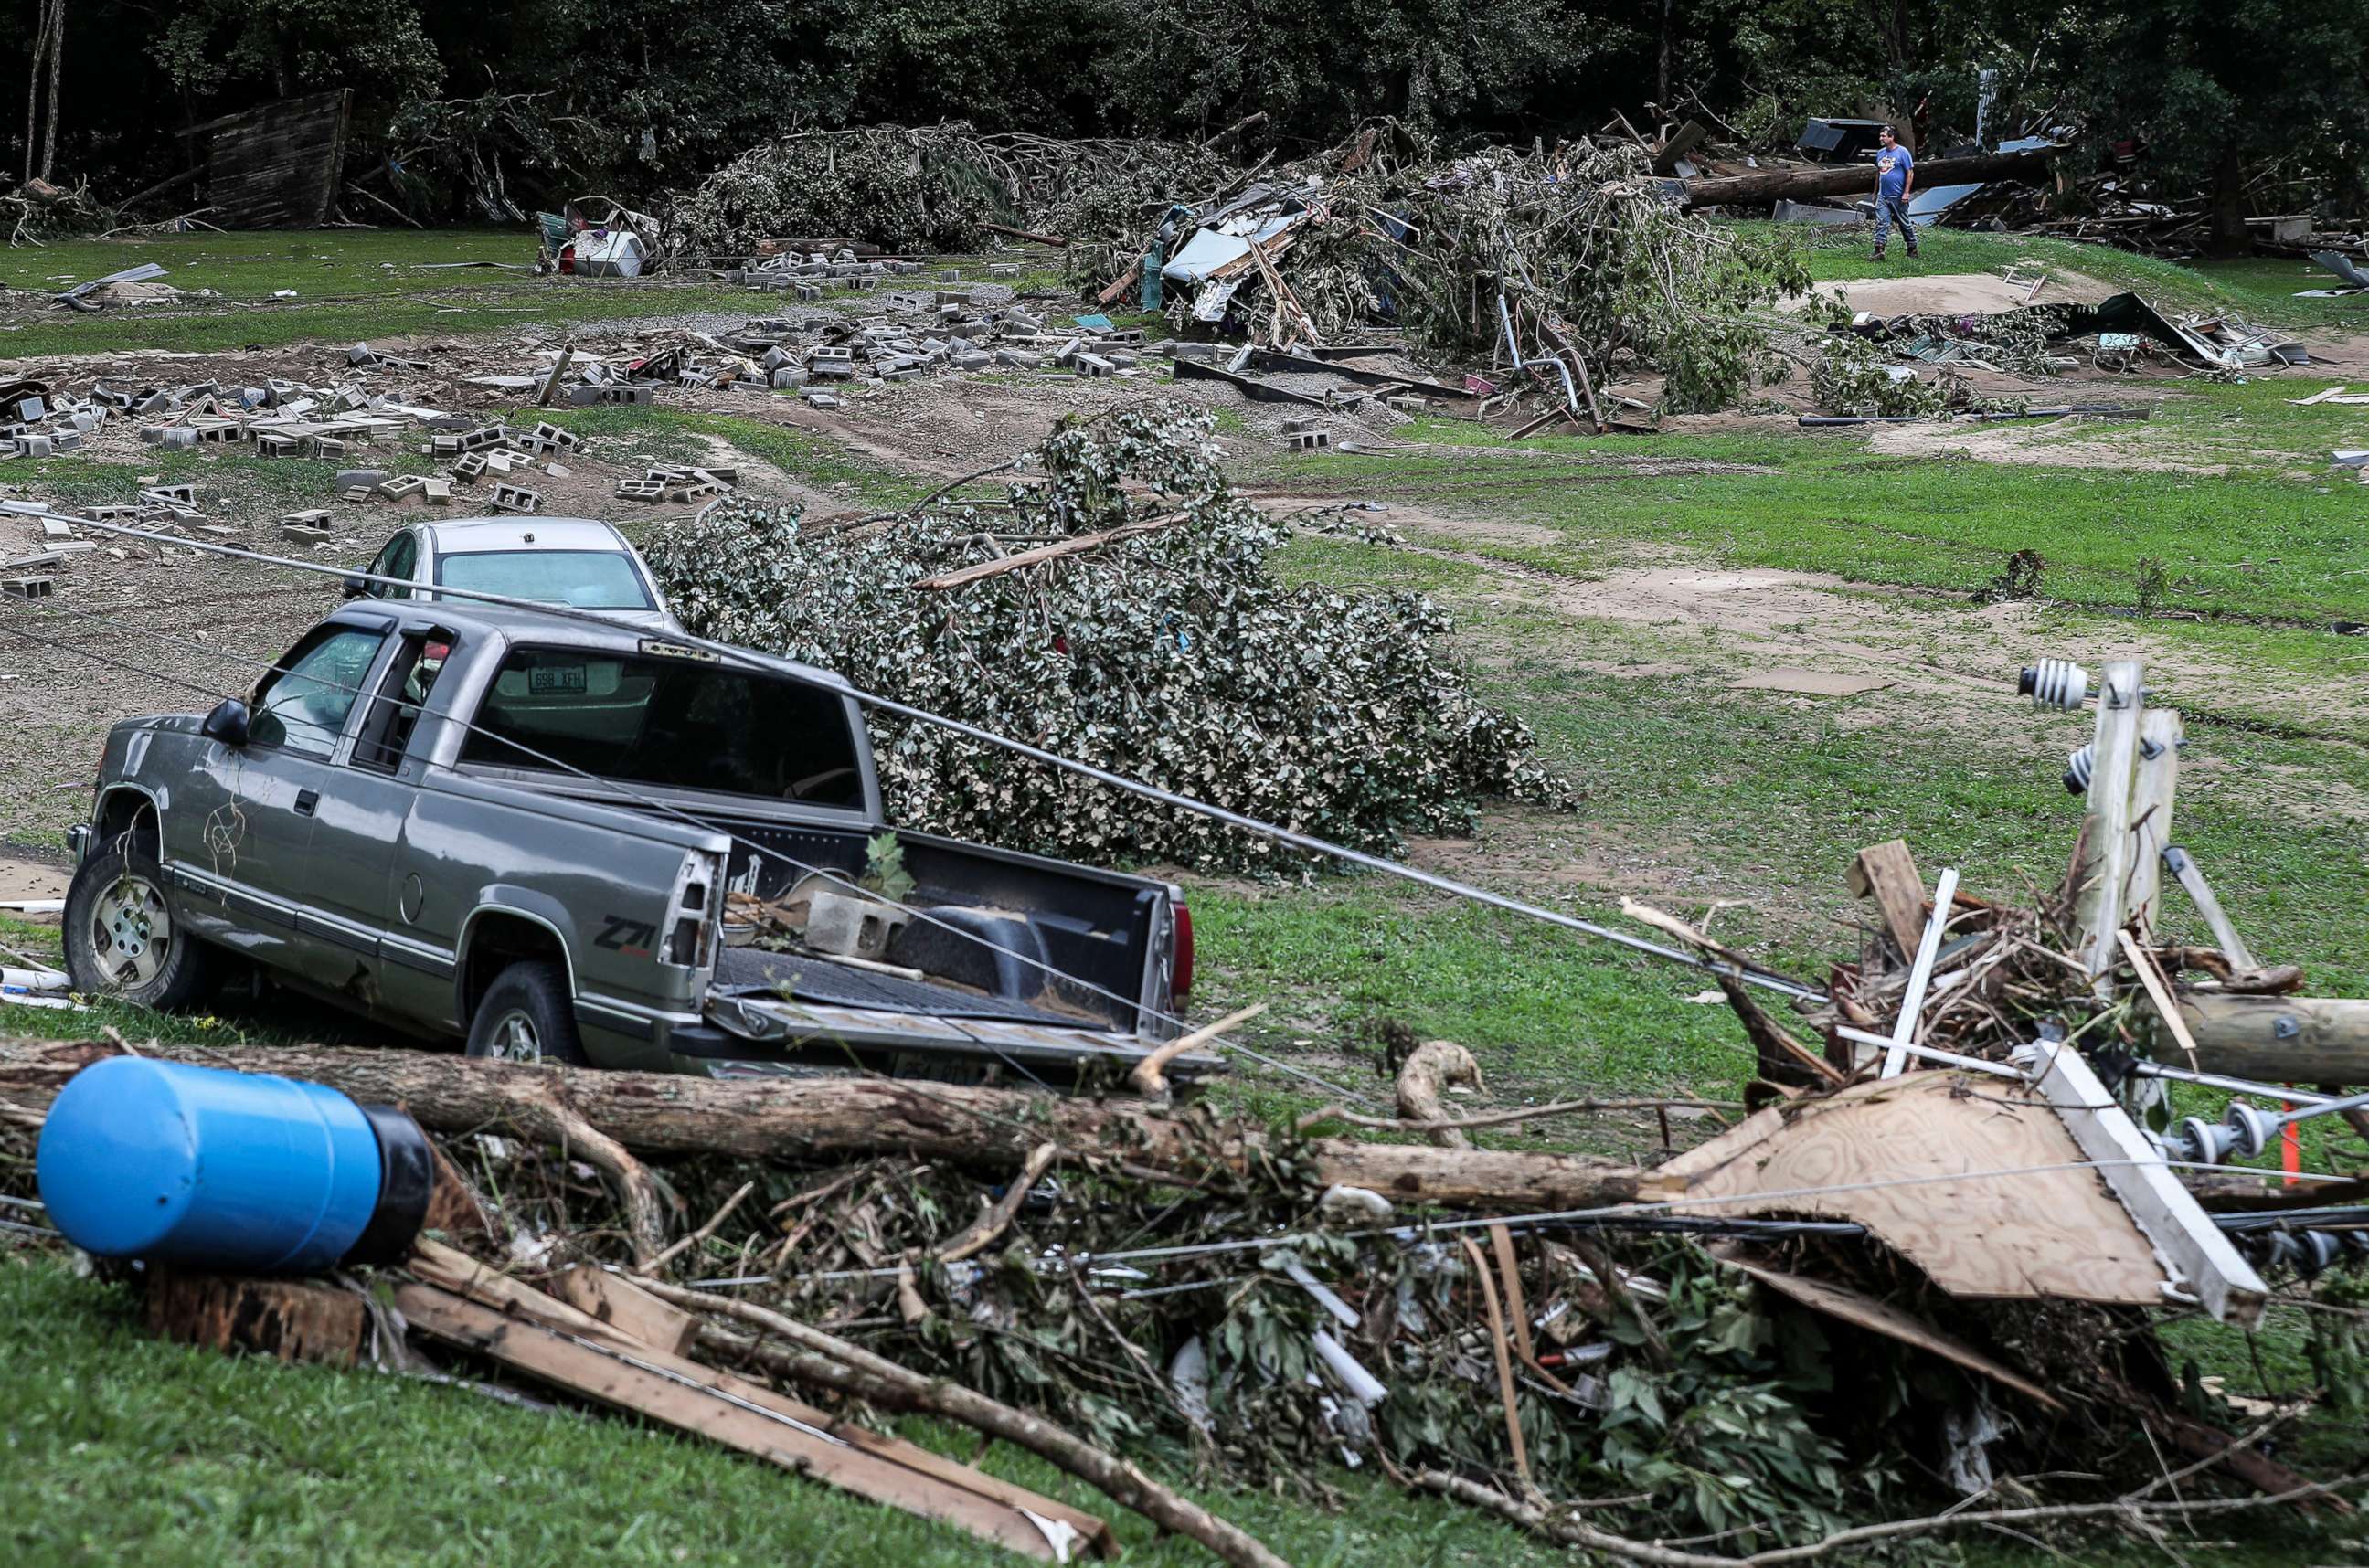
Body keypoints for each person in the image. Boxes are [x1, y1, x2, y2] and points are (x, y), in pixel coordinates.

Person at [1869, 124, 1918, 261]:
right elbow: (1879, 174)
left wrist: (1906, 192)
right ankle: (1879, 250)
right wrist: (1875, 192)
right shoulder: (1880, 153)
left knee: (1904, 223)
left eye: (1883, 136)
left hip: (1898, 196)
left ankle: (1912, 247)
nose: (1881, 138)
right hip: (1883, 195)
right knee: (1882, 222)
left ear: (1892, 137)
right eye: (1880, 136)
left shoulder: (1903, 152)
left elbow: (1910, 172)